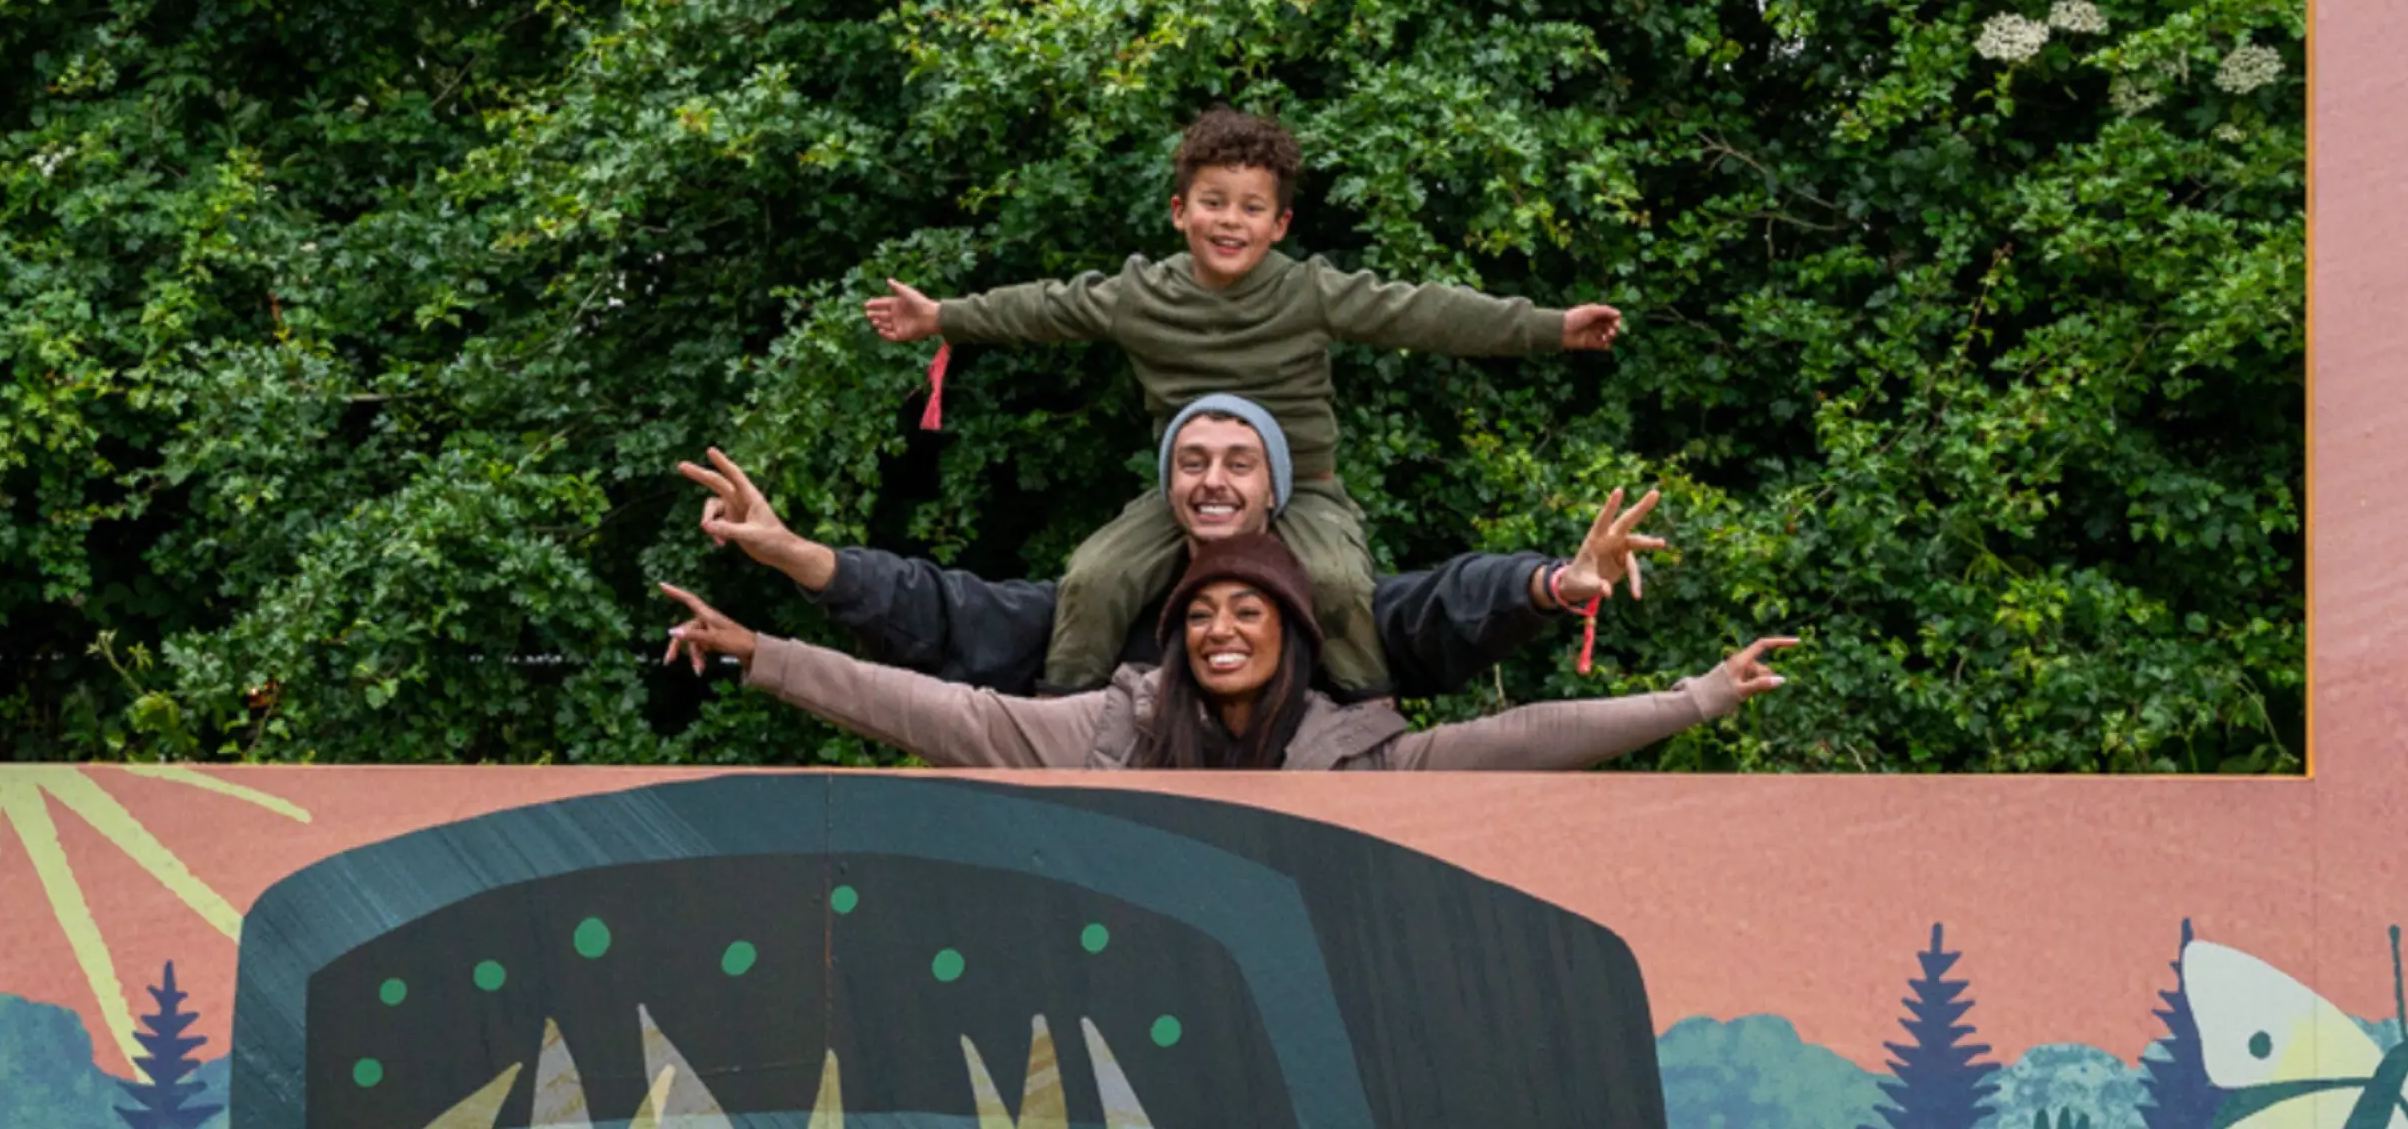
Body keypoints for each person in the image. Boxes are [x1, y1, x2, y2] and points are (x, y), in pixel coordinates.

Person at [863, 105, 1622, 692]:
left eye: (1251, 208)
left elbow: (1424, 312)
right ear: (1179, 211)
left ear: (1279, 223)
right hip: (1189, 495)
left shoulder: (1307, 291)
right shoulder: (1140, 295)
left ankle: (1366, 718)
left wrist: (1552, 329)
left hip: (1305, 496)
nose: (1231, 221)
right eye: (1214, 203)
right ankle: (1069, 735)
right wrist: (943, 317)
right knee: (1092, 581)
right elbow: (1043, 308)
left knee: (1334, 586)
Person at [674, 397, 1670, 698]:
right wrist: (800, 556)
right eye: (1192, 461)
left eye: (1239, 461)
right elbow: (948, 615)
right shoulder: (1113, 620)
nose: (1213, 479)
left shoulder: (1332, 607)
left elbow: (1445, 604)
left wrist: (1558, 582)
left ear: (1277, 491)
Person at [663, 529, 1792, 772]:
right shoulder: (1114, 724)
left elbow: (1520, 738)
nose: (1221, 630)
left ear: (1295, 637)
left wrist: (1691, 699)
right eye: (1202, 615)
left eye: (1250, 614)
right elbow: (929, 710)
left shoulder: (1353, 751)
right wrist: (764, 650)